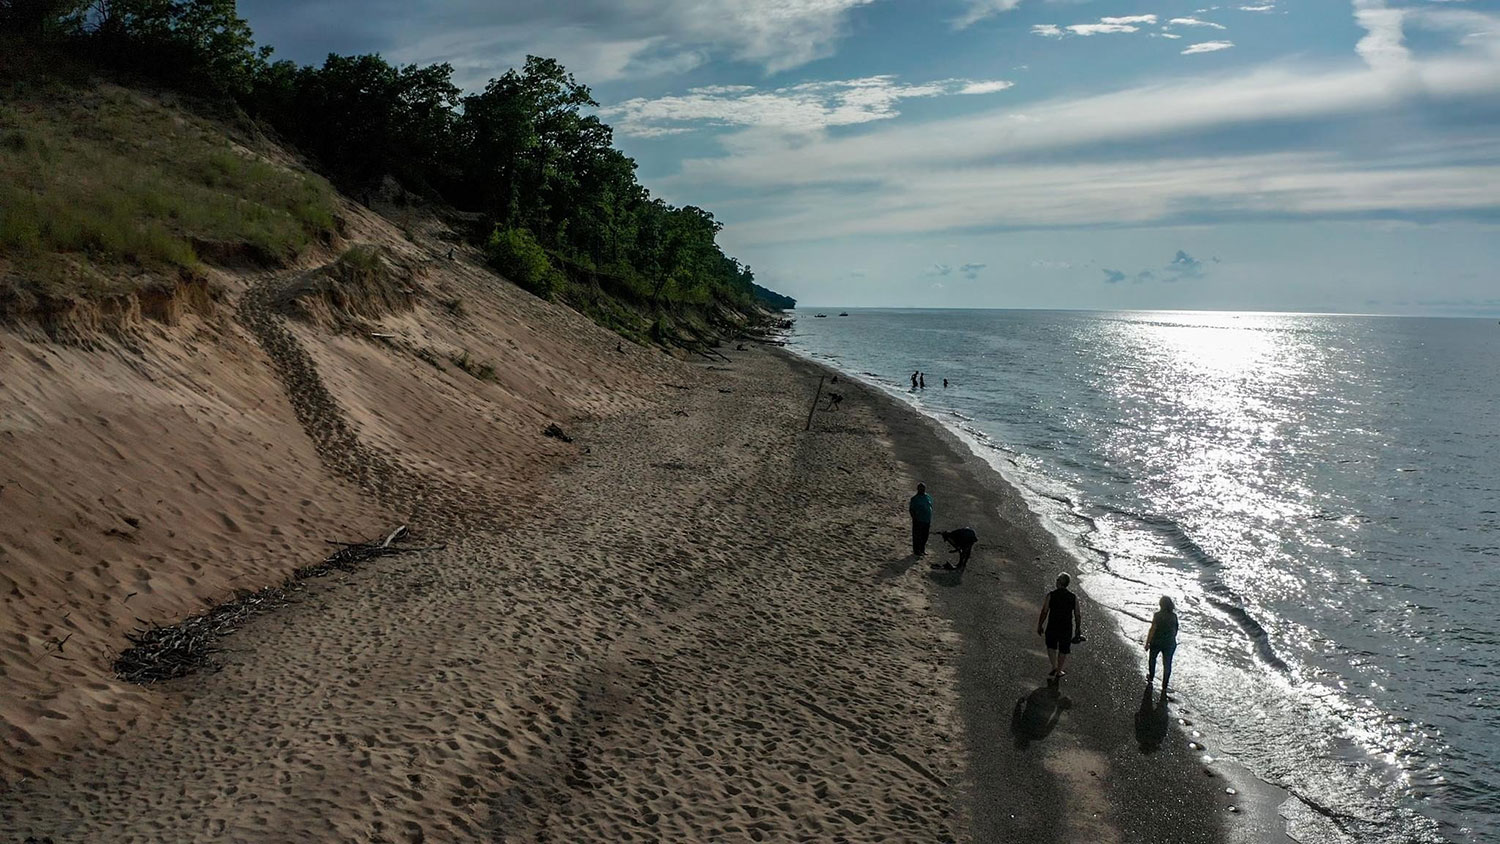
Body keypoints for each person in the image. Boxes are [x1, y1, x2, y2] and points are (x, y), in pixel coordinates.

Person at [1036, 573, 1081, 678]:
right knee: (1063, 649)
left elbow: (1044, 611)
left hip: (1053, 625)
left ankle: (1053, 666)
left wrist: (1040, 624)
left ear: (1059, 582)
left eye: (1057, 580)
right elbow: (1077, 614)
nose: (1056, 581)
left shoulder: (1051, 595)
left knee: (1051, 646)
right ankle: (1059, 670)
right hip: (1066, 627)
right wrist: (1078, 628)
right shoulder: (1073, 597)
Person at [1145, 596, 1179, 691]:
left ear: (1161, 605)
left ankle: (1151, 677)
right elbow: (1175, 630)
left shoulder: (1157, 615)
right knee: (1167, 664)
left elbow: (1153, 629)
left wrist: (1147, 642)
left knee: (1152, 659)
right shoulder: (1174, 616)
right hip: (1170, 643)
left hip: (1157, 641)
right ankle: (1165, 684)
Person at [908, 483, 933, 557]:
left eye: (923, 488)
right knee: (917, 536)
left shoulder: (928, 497)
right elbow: (911, 509)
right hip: (918, 520)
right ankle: (916, 551)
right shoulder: (915, 499)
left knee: (925, 536)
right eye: (921, 488)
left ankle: (922, 549)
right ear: (918, 489)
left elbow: (930, 505)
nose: (922, 490)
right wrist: (914, 518)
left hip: (927, 520)